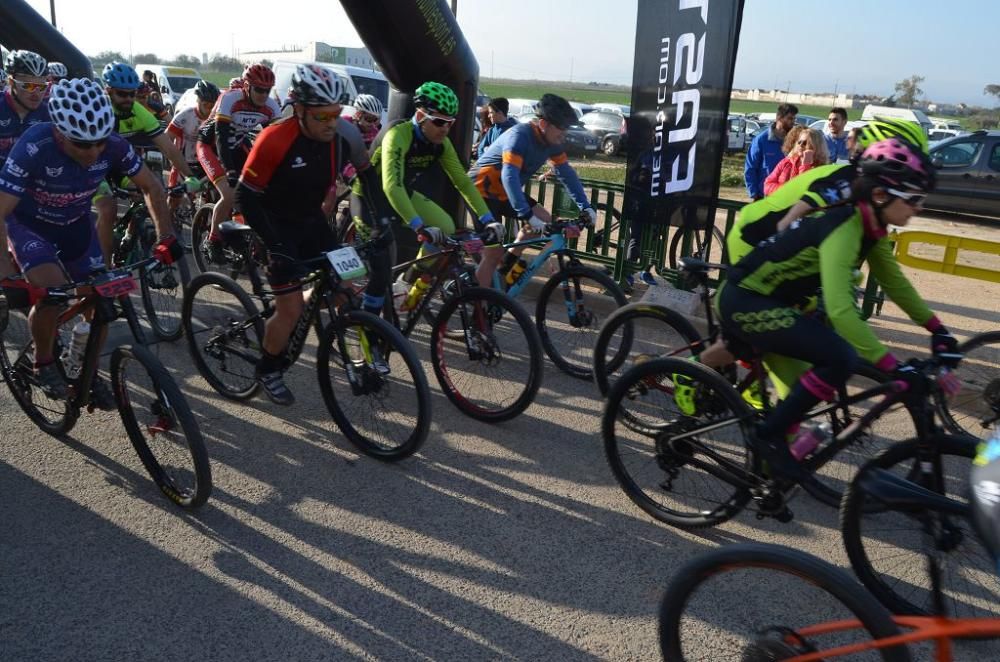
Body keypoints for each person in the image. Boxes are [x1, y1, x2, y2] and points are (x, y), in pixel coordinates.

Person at [718, 137, 954, 483]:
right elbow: (843, 311)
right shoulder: (845, 225)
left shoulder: (870, 228)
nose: (918, 208)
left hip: (773, 299)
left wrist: (937, 329)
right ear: (879, 195)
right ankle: (767, 438)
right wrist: (892, 365)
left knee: (823, 362)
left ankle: (776, 450)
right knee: (838, 356)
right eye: (914, 199)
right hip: (745, 298)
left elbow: (895, 284)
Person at [0, 78, 182, 405]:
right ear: (58, 132)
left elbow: (153, 187)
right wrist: (5, 273)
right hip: (30, 226)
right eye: (82, 145)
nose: (94, 151)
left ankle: (83, 366)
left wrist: (166, 238)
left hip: (75, 224)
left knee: (101, 299)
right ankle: (43, 362)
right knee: (53, 296)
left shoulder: (111, 144)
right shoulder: (34, 144)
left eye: (99, 142)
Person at [235, 64, 374, 405]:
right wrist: (275, 246)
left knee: (351, 282)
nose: (331, 123)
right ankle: (268, 368)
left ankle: (356, 355)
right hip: (275, 227)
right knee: (290, 308)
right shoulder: (274, 139)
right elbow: (245, 197)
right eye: (322, 117)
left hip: (312, 222)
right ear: (299, 110)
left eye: (336, 114)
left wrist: (382, 224)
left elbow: (368, 179)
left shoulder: (345, 135)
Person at [350, 80, 501, 316]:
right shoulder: (397, 134)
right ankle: (368, 321)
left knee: (447, 226)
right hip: (370, 198)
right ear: (420, 115)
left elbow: (462, 181)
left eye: (450, 123)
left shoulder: (441, 144)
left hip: (402, 193)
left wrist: (488, 218)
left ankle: (407, 282)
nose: (445, 129)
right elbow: (392, 185)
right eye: (439, 122)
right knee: (383, 265)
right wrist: (419, 226)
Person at [470, 93, 598, 282]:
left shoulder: (551, 142)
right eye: (561, 129)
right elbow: (509, 175)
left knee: (545, 221)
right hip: (481, 191)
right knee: (492, 254)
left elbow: (566, 173)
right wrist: (526, 214)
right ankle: (479, 304)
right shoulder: (519, 136)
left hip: (504, 192)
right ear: (544, 124)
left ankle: (505, 272)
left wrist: (585, 206)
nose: (564, 134)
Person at [95, 62, 197, 262]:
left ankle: (135, 236)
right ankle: (104, 269)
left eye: (132, 94)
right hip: (93, 165)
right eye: (122, 94)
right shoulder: (99, 111)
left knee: (150, 191)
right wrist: (103, 183)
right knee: (108, 208)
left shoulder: (137, 110)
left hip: (119, 163)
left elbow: (168, 148)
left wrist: (190, 177)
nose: (129, 99)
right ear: (108, 91)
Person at [197, 62, 282, 263]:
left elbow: (278, 142)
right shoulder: (230, 98)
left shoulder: (271, 106)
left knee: (262, 191)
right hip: (211, 145)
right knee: (229, 193)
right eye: (259, 90)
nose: (263, 95)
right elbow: (220, 138)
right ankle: (212, 240)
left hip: (237, 145)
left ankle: (247, 234)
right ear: (246, 86)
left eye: (267, 90)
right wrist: (230, 171)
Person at [165, 80, 219, 213]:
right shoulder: (186, 115)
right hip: (183, 163)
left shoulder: (217, 117)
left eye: (212, 106)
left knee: (216, 195)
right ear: (198, 101)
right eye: (206, 105)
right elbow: (166, 139)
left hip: (205, 162)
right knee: (174, 200)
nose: (209, 109)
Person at [1, 50, 51, 166]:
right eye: (28, 86)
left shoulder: (48, 113)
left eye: (42, 87)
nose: (36, 93)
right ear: (11, 82)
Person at [744, 103, 798, 201]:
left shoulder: (795, 141)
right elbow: (750, 167)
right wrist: (754, 194)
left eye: (794, 119)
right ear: (779, 118)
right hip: (764, 197)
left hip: (787, 197)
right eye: (790, 118)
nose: (792, 122)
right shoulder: (761, 140)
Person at [763, 127, 829, 196]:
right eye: (799, 142)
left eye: (805, 143)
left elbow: (801, 191)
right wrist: (785, 191)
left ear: (815, 146)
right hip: (779, 204)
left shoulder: (820, 169)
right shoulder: (787, 162)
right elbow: (767, 185)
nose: (800, 145)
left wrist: (805, 165)